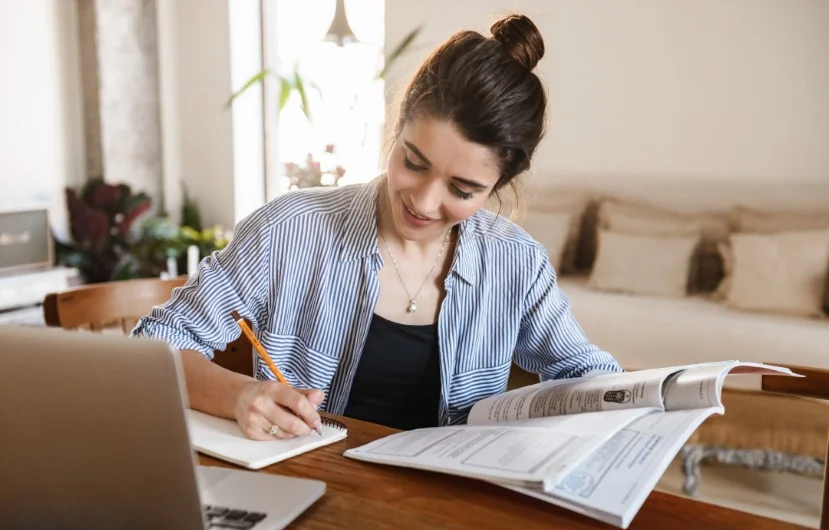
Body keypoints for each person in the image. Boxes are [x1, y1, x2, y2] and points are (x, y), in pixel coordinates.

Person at [131, 13, 623, 440]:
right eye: (413, 162)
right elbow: (154, 346)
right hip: (313, 491)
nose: (424, 202)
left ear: (499, 185)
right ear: (397, 126)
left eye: (462, 190)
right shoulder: (290, 230)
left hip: (446, 511)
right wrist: (242, 396)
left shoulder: (516, 262)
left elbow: (585, 372)